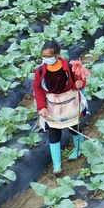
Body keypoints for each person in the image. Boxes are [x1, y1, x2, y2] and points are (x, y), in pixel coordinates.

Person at [33, 41, 87, 174]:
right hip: (52, 104)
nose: (46, 59)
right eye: (44, 57)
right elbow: (38, 90)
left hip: (69, 101)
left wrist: (79, 84)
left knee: (74, 127)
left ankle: (79, 149)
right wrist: (42, 107)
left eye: (49, 56)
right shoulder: (40, 71)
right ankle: (57, 165)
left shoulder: (69, 66)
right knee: (54, 133)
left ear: (57, 55)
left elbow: (79, 82)